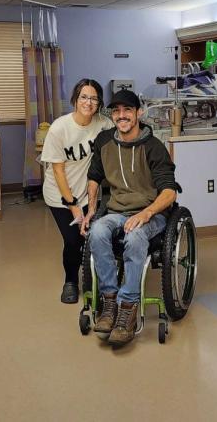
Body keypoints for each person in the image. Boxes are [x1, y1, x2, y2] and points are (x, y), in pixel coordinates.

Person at [82, 89, 177, 347]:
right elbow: (94, 177)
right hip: (116, 211)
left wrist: (146, 213)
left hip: (151, 213)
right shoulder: (104, 141)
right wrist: (91, 210)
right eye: (116, 111)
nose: (121, 116)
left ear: (138, 113)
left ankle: (128, 307)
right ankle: (109, 301)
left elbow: (169, 190)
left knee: (135, 237)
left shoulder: (154, 147)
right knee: (98, 231)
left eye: (127, 111)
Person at [41, 79, 113, 304]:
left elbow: (123, 133)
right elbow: (58, 171)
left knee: (92, 237)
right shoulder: (59, 128)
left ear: (99, 102)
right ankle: (70, 281)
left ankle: (95, 279)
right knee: (73, 240)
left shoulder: (104, 124)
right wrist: (72, 205)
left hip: (88, 193)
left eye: (93, 98)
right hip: (59, 195)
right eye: (84, 97)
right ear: (75, 99)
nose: (88, 102)